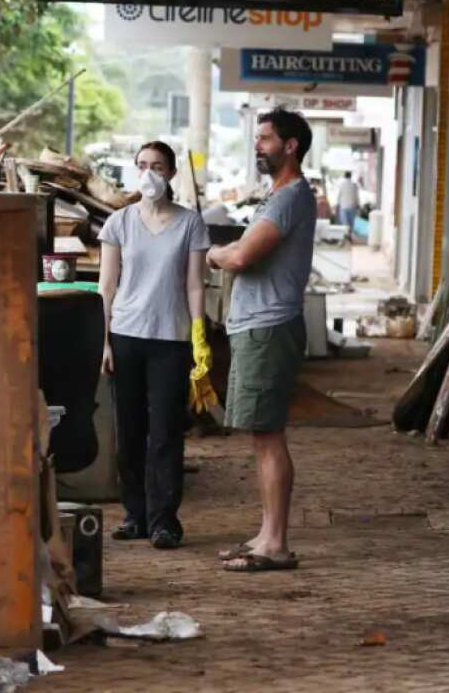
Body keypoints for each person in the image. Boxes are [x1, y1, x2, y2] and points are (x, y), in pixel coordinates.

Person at [206, 107, 316, 573]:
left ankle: (276, 543)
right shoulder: (276, 196)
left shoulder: (290, 197)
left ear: (290, 146)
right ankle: (266, 533)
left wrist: (212, 253)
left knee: (269, 436)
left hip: (268, 326)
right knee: (261, 434)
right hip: (258, 324)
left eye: (266, 138)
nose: (258, 145)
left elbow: (243, 257)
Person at [98, 141, 212, 550]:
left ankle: (165, 521)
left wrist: (199, 338)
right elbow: (106, 285)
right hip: (126, 335)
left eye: (158, 166)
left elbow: (195, 285)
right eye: (143, 165)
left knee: (165, 432)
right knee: (129, 431)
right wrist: (104, 340)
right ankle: (135, 515)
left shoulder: (190, 224)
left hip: (171, 339)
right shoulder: (119, 223)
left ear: (172, 173)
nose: (150, 173)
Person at [336, 171, 360, 241]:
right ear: (350, 176)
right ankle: (350, 236)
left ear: (344, 176)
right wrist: (358, 204)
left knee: (345, 223)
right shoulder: (354, 185)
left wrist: (337, 204)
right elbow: (357, 196)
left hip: (343, 206)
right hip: (352, 206)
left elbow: (339, 195)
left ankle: (346, 236)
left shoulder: (341, 184)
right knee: (351, 223)